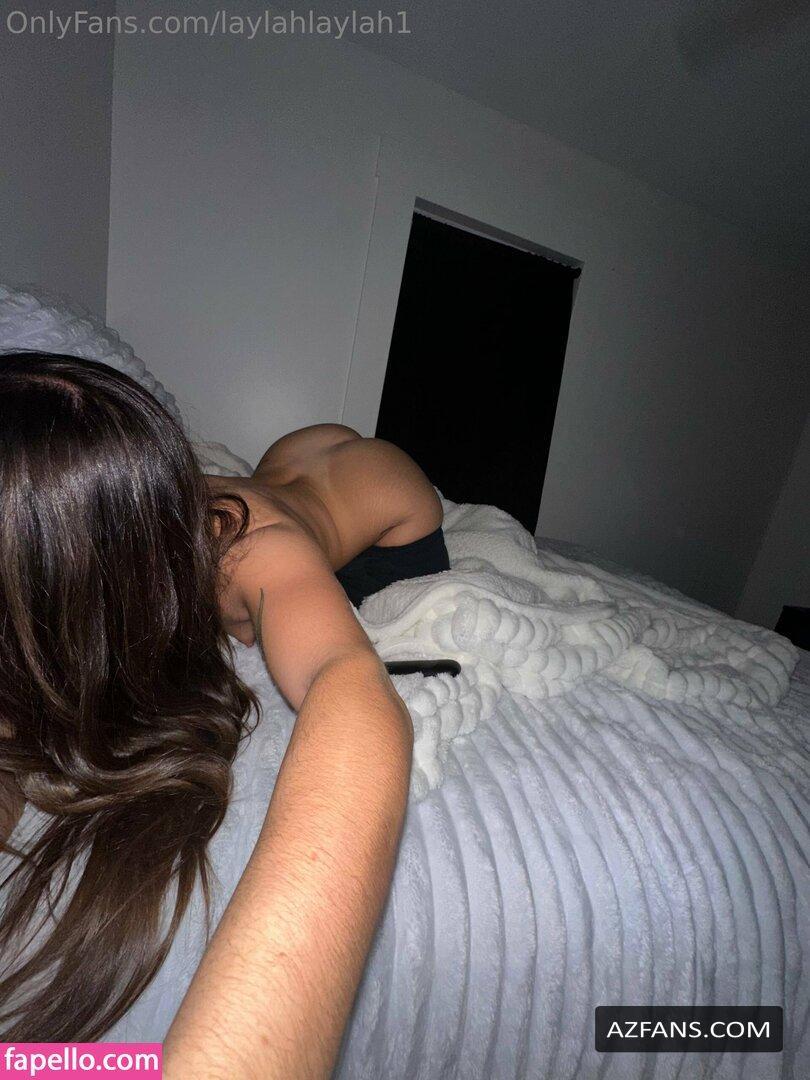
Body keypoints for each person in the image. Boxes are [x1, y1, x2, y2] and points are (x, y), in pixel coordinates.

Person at [0, 351, 450, 1077]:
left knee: (324, 551)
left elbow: (345, 678)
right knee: (282, 480)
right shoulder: (123, 506)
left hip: (390, 500)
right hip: (292, 458)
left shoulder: (256, 556)